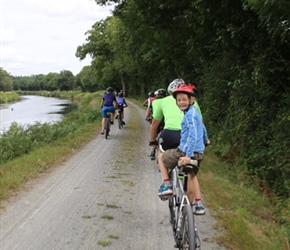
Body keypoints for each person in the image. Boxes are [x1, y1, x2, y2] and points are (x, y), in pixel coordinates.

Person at [150, 81, 206, 215]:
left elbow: (154, 124)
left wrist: (188, 154)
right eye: (179, 100)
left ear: (191, 100)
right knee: (192, 175)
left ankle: (167, 184)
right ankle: (198, 204)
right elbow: (202, 126)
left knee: (162, 156)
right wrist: (205, 140)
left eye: (184, 100)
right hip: (197, 150)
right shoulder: (193, 111)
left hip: (182, 146)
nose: (181, 102)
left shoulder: (184, 112)